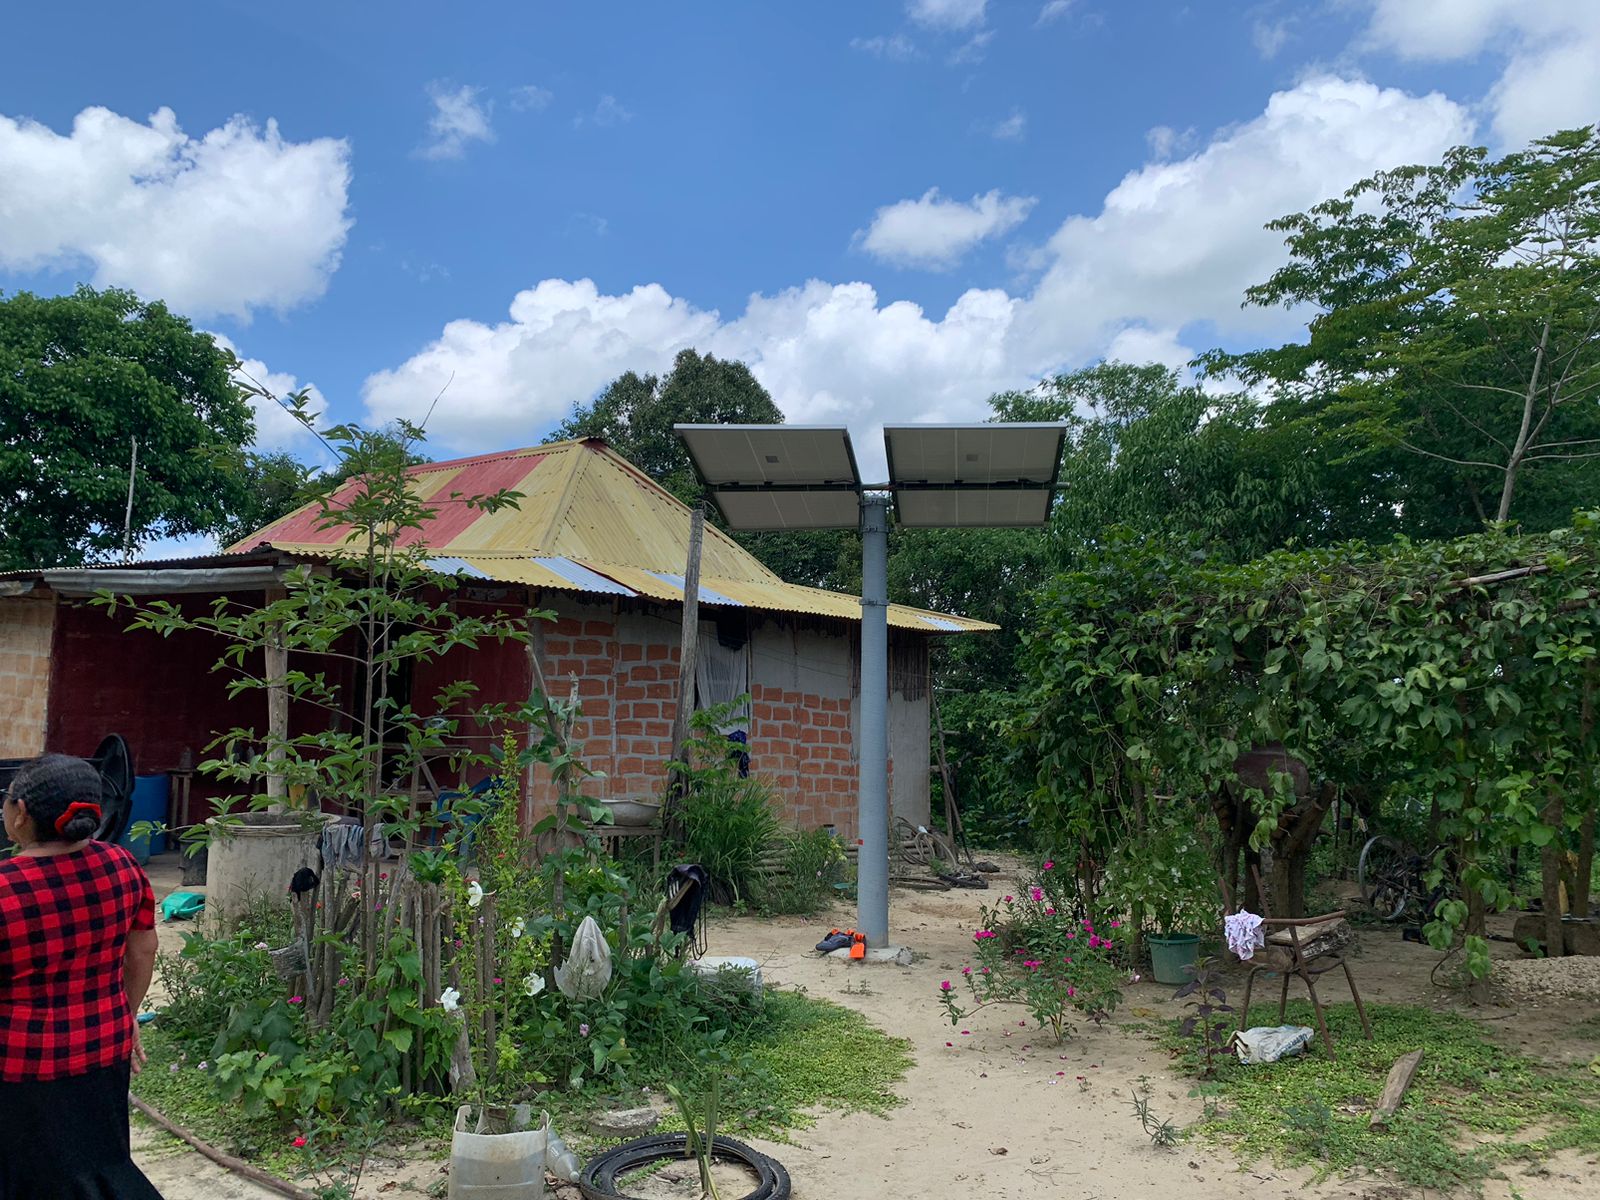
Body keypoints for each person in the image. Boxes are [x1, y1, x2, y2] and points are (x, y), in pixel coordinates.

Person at [0, 754, 164, 1200]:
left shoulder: (6, 887)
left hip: (19, 1067)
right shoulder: (122, 865)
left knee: (26, 1177)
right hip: (104, 1046)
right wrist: (126, 1016)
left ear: (21, 813)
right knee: (99, 1161)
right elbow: (143, 951)